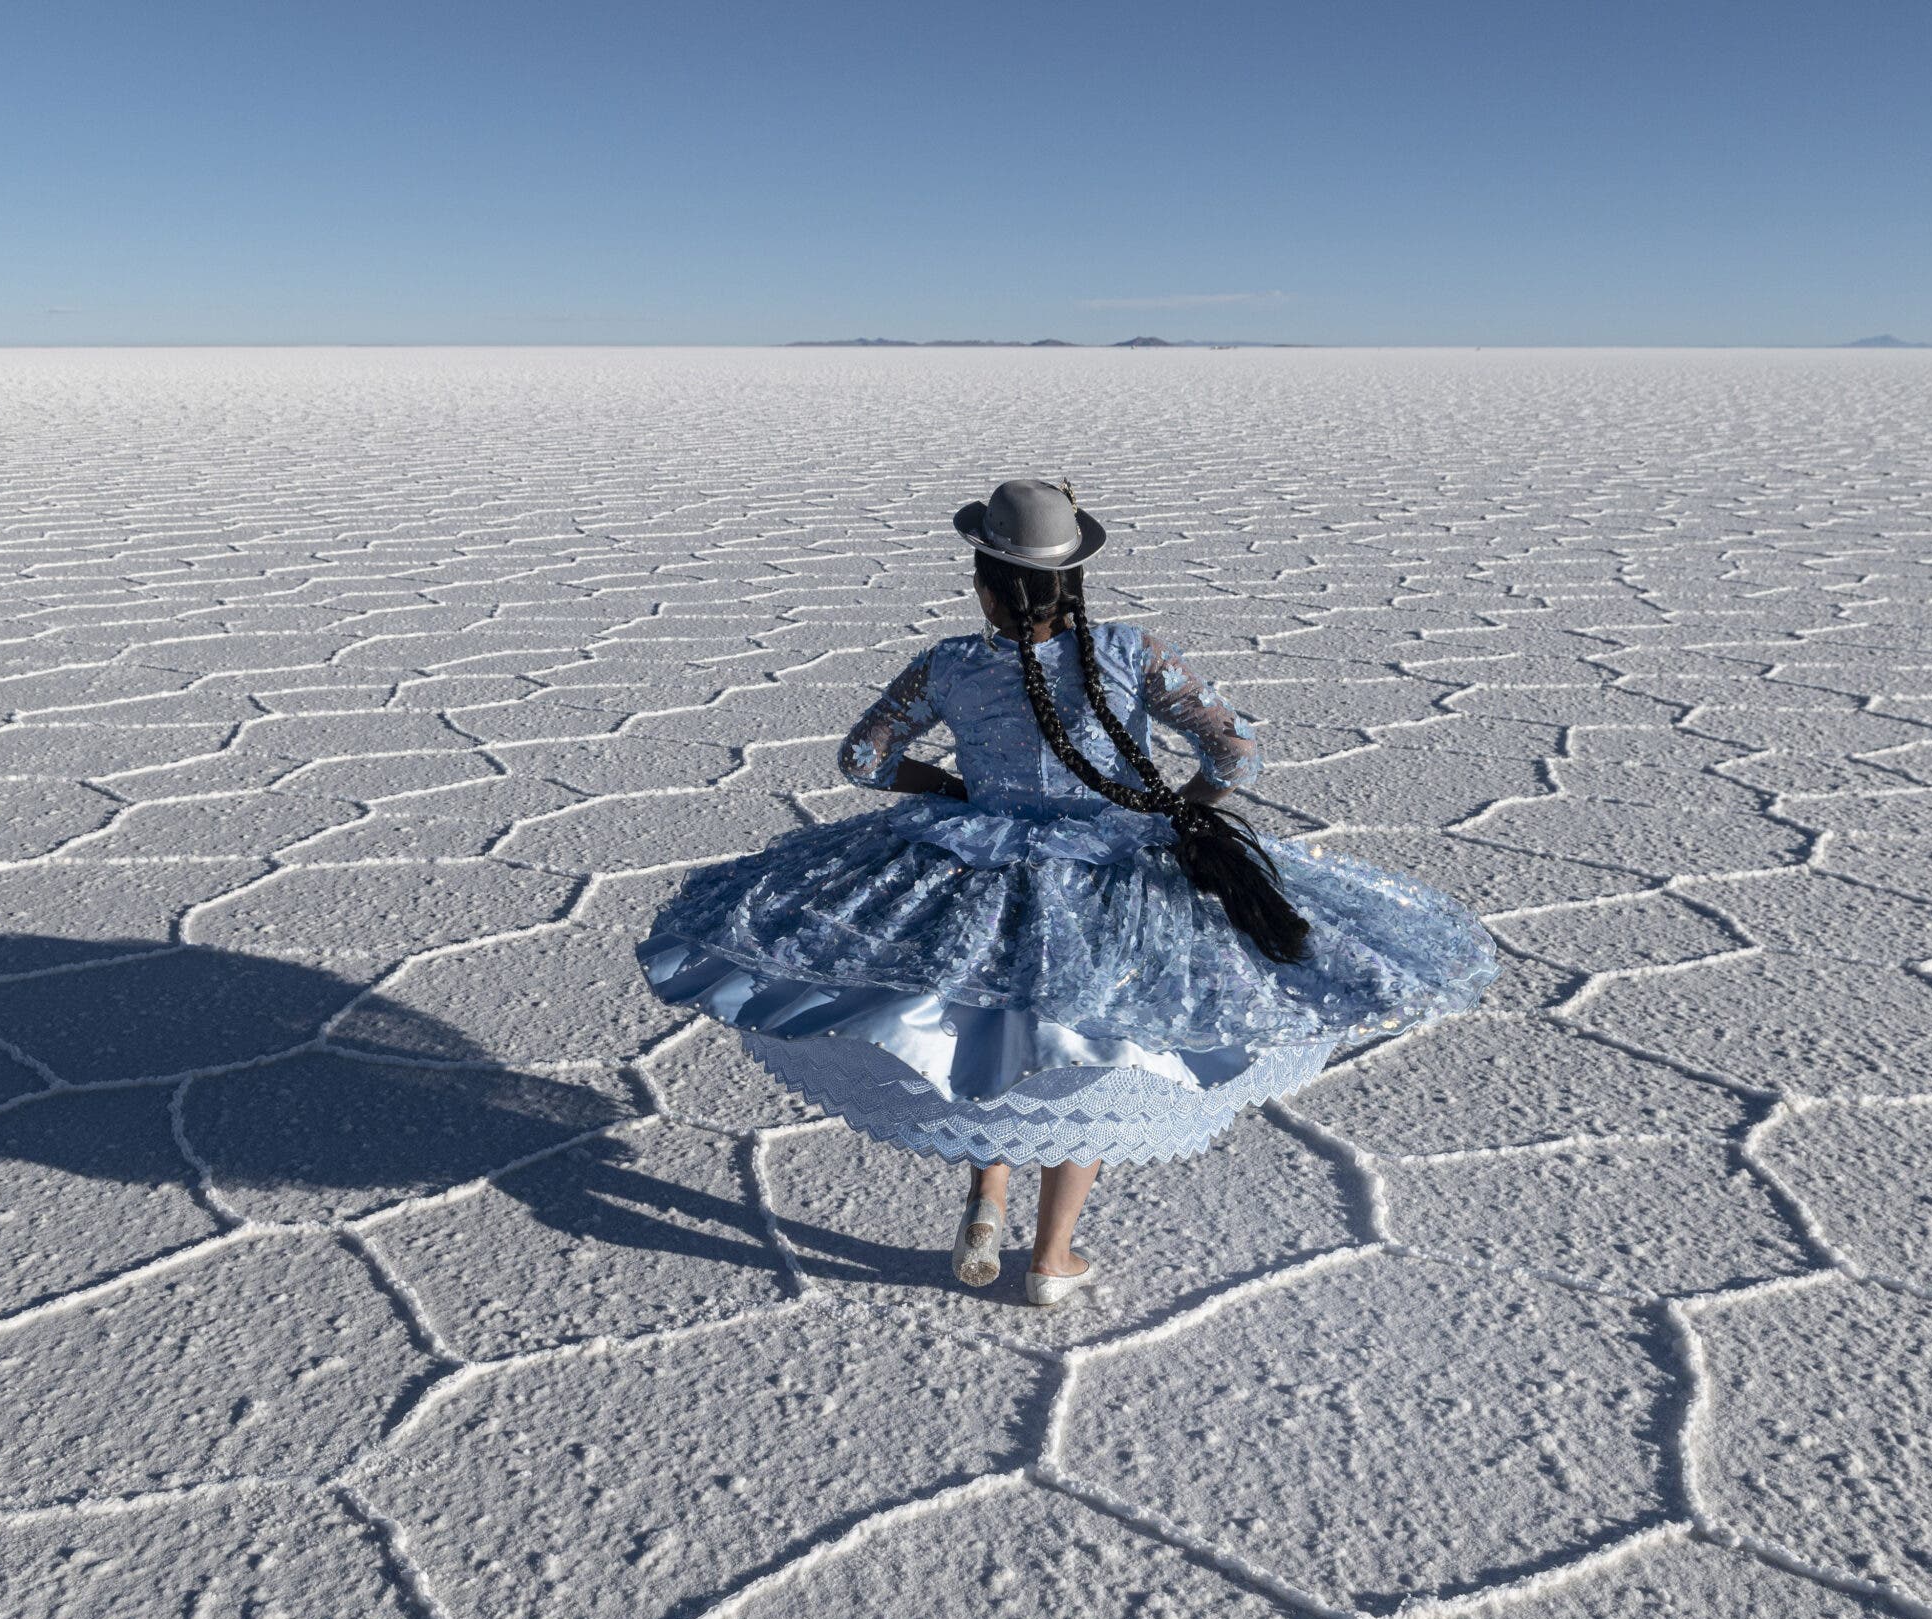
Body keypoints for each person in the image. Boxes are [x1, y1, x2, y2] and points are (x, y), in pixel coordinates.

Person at [637, 479, 1497, 1305]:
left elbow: (862, 760)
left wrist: (948, 793)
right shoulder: (1132, 651)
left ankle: (985, 1204)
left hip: (975, 864)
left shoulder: (948, 665)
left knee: (990, 1027)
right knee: (1083, 1049)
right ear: (1071, 578)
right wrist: (1170, 813)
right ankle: (1051, 1260)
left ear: (985, 586)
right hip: (1117, 869)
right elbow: (1238, 757)